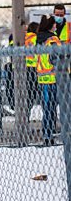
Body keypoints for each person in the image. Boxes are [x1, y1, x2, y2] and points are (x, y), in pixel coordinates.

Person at [36, 14, 62, 146]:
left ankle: (47, 134)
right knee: (52, 109)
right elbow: (55, 57)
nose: (56, 25)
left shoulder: (40, 39)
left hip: (43, 79)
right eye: (55, 24)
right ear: (51, 25)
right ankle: (49, 134)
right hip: (53, 78)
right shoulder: (52, 39)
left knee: (47, 109)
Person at [5, 22, 39, 120]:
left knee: (18, 93)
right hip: (32, 69)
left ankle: (21, 116)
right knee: (30, 94)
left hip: (17, 68)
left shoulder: (17, 38)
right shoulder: (36, 38)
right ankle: (25, 116)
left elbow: (10, 50)